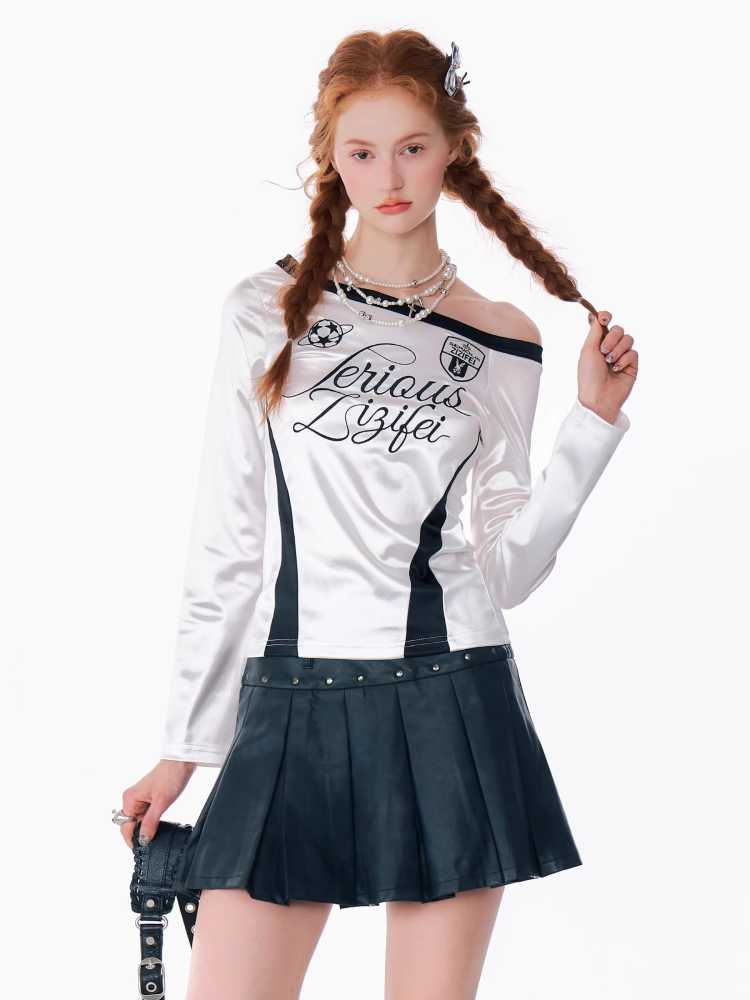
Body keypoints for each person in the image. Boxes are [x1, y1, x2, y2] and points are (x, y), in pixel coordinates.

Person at [117, 30, 637, 1000]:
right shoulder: (266, 310)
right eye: (362, 152)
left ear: (453, 149)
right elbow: (230, 542)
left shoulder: (502, 340)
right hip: (288, 701)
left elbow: (507, 568)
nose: (388, 177)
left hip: (450, 698)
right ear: (332, 159)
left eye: (411, 147)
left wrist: (591, 427)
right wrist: (184, 747)